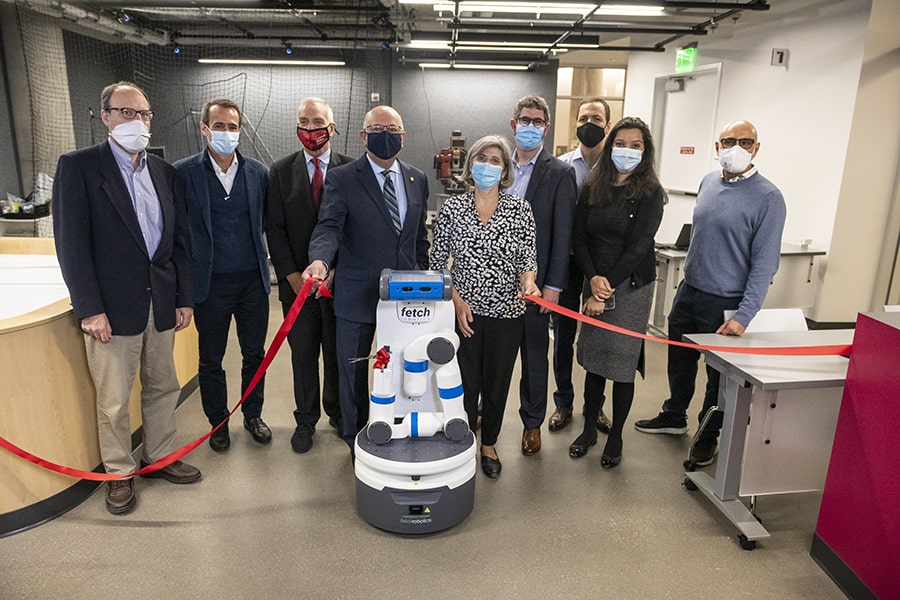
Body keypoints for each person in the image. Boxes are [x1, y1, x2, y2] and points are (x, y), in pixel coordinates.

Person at [52, 81, 201, 515]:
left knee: (162, 385)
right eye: (127, 112)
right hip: (111, 310)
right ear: (106, 116)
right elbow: (72, 245)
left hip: (161, 303)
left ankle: (159, 457)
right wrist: (89, 308)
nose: (138, 122)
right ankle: (119, 473)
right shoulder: (79, 168)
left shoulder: (163, 172)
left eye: (144, 114)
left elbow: (179, 244)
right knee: (115, 398)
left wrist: (183, 297)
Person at [634, 119, 786, 467]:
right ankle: (674, 415)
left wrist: (744, 315)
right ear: (717, 146)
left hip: (726, 301)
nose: (736, 147)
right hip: (690, 291)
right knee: (680, 361)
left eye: (745, 142)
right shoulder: (708, 182)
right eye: (728, 140)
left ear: (756, 148)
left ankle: (708, 434)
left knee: (718, 377)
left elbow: (765, 265)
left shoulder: (769, 197)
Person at [302, 105, 430, 455]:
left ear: (403, 136)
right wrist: (319, 261)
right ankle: (356, 439)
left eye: (393, 129)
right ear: (363, 136)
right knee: (354, 371)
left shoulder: (418, 178)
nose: (385, 135)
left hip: (405, 298)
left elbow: (419, 241)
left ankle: (400, 428)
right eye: (377, 129)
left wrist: (426, 287)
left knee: (406, 367)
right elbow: (329, 226)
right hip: (357, 295)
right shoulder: (343, 177)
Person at [430, 135, 540, 479]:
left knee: (497, 381)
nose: (488, 166)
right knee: (464, 381)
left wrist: (529, 280)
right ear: (471, 164)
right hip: (464, 313)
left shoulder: (519, 209)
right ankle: (462, 440)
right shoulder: (453, 209)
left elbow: (528, 258)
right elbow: (437, 262)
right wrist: (457, 300)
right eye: (483, 159)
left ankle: (489, 443)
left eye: (496, 161)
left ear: (505, 170)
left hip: (508, 313)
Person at [566, 117, 665, 468]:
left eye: (636, 145)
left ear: (645, 151)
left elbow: (640, 245)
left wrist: (605, 289)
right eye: (621, 143)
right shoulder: (594, 185)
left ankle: (617, 434)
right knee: (594, 361)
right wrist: (592, 279)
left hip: (631, 286)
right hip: (593, 282)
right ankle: (590, 428)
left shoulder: (651, 193)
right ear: (611, 147)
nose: (628, 150)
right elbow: (579, 235)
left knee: (621, 364)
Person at [174, 99, 271, 453]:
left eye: (232, 127)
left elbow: (265, 222)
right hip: (209, 283)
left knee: (254, 354)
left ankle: (253, 414)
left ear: (240, 131)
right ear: (204, 129)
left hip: (252, 283)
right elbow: (177, 233)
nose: (226, 133)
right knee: (211, 358)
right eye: (219, 126)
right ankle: (218, 422)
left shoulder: (258, 173)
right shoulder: (183, 173)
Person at [266, 98, 352, 454]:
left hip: (339, 284)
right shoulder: (280, 172)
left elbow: (353, 228)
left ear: (331, 128)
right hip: (296, 286)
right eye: (304, 121)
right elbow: (275, 228)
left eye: (318, 122)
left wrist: (335, 271)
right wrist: (291, 276)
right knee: (303, 354)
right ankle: (305, 419)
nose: (311, 128)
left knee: (338, 351)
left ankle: (339, 411)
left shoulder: (351, 170)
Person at [505, 94, 577, 457]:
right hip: (495, 283)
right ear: (513, 123)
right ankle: (485, 410)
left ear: (546, 128)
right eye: (525, 120)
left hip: (535, 286)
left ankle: (531, 424)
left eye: (538, 121)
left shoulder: (560, 173)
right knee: (492, 354)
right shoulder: (497, 166)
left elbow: (563, 234)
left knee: (534, 357)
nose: (530, 126)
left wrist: (553, 287)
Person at [550, 97, 613, 435]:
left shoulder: (618, 168)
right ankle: (563, 402)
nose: (590, 122)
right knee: (562, 336)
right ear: (575, 123)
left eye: (597, 117)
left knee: (596, 336)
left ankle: (595, 406)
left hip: (601, 269)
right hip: (566, 264)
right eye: (584, 116)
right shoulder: (561, 166)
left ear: (607, 123)